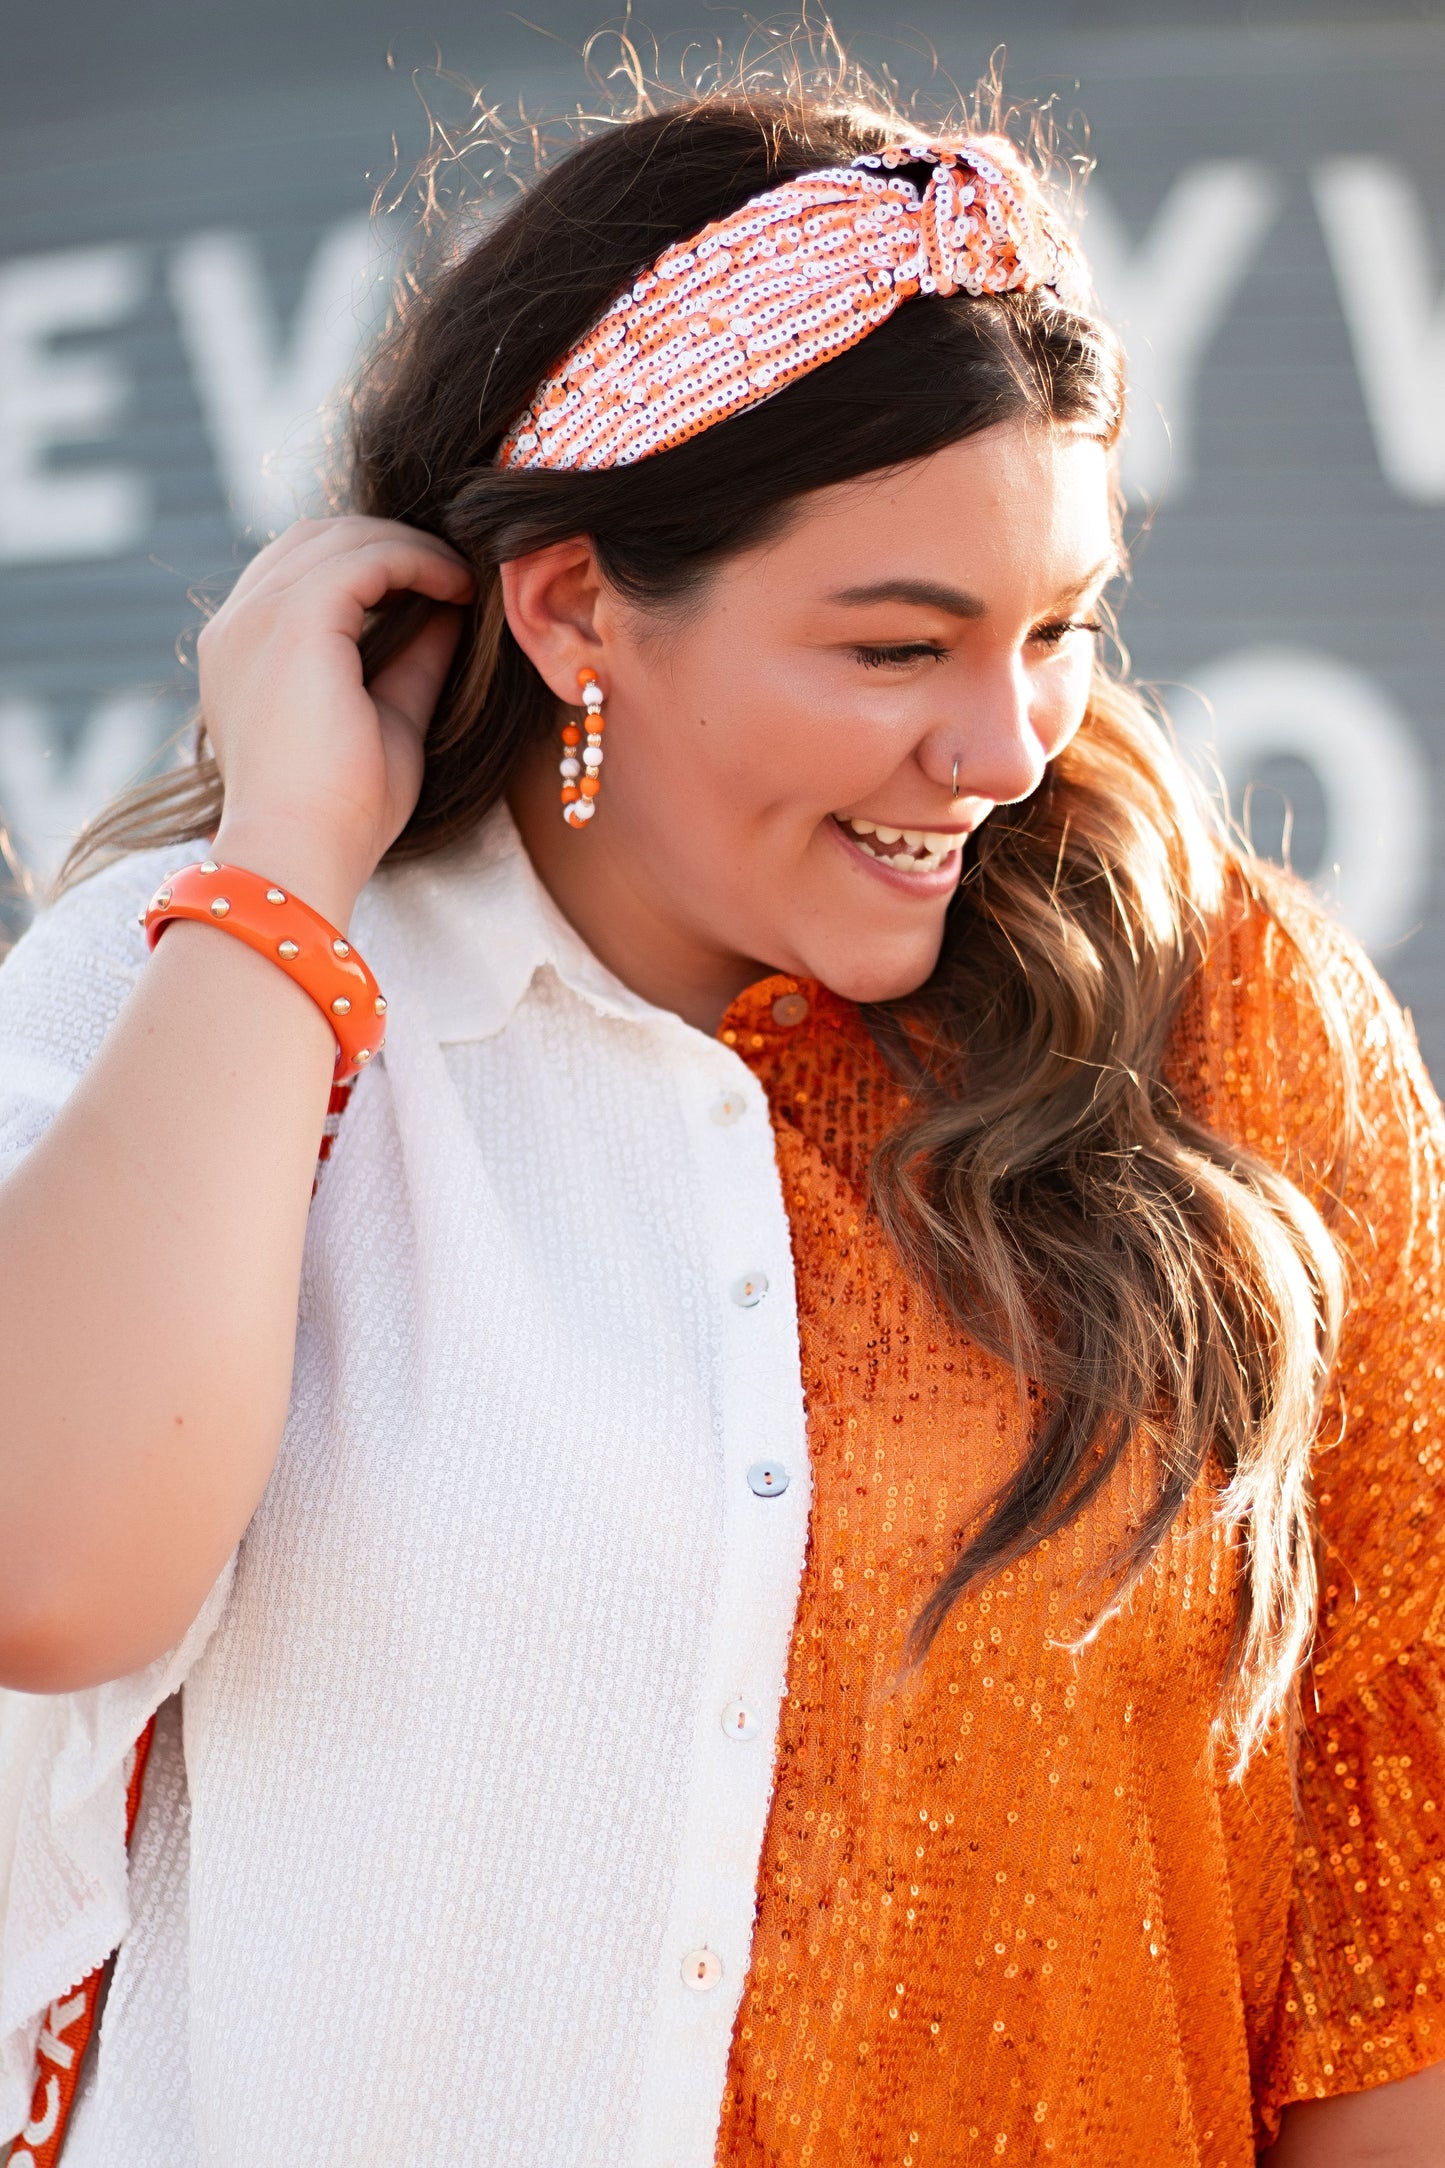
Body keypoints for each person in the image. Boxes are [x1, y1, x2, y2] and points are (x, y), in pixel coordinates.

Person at [0, 81, 1441, 2168]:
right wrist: (291, 861)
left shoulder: (1231, 1030)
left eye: (1059, 629)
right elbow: (49, 1570)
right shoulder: (200, 974)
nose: (1005, 746)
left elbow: (1392, 1894)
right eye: (895, 644)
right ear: (575, 608)